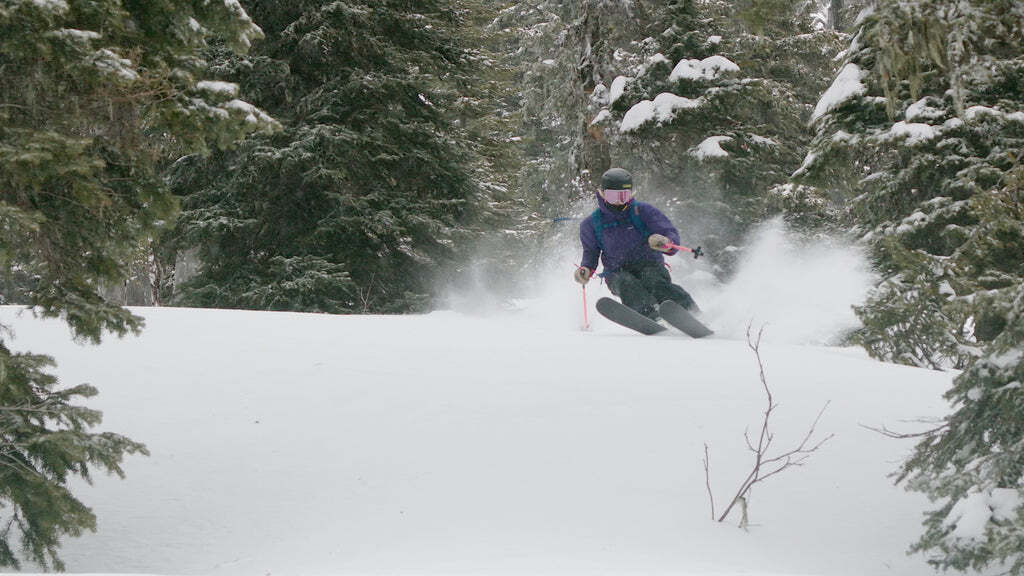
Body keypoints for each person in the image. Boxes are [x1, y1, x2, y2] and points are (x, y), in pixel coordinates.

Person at [573, 167, 698, 320]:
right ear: (602, 194)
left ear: (631, 194)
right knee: (626, 283)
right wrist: (586, 268)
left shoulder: (643, 211)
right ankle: (650, 315)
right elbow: (591, 252)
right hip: (616, 272)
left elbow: (668, 232)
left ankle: (691, 312)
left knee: (654, 281)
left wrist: (665, 242)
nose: (619, 202)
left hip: (650, 265)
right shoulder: (592, 223)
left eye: (623, 195)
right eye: (613, 196)